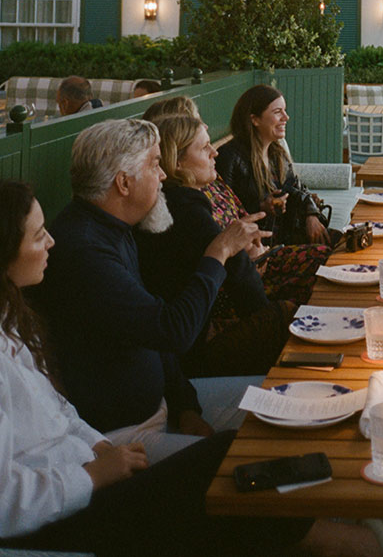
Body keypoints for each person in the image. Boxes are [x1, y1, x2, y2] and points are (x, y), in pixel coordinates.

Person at [0, 180, 377, 557]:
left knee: (237, 457)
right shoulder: (86, 250)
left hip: (96, 465)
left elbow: (58, 411)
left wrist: (99, 444)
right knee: (226, 459)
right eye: (37, 236)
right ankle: (336, 538)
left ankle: (331, 526)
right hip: (68, 515)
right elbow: (5, 502)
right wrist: (92, 475)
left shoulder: (11, 323)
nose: (51, 242)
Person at [32, 118, 264, 461]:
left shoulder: (116, 228)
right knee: (250, 458)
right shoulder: (84, 250)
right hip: (123, 438)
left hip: (166, 409)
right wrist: (219, 252)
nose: (163, 175)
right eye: (154, 164)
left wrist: (185, 405)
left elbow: (151, 332)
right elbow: (172, 331)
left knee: (286, 400)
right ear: (123, 183)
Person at [136, 114, 318, 376]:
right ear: (176, 163)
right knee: (287, 316)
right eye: (204, 147)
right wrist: (266, 321)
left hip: (196, 328)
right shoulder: (187, 208)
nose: (215, 153)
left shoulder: (177, 201)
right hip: (193, 349)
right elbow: (241, 279)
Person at [216, 85, 334, 246]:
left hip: (287, 237)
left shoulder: (277, 154)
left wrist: (311, 215)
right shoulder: (229, 156)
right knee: (325, 254)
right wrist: (261, 207)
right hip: (258, 248)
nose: (286, 117)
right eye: (278, 112)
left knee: (344, 242)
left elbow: (298, 188)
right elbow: (222, 213)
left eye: (284, 111)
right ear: (255, 119)